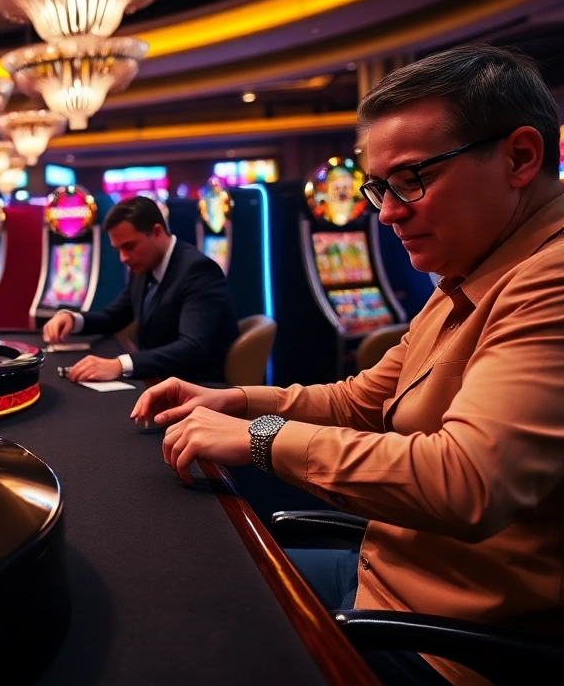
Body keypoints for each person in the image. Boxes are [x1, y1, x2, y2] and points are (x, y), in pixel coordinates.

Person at [132, 44, 564, 686]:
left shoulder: (550, 280)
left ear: (520, 157)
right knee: (174, 584)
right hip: (385, 573)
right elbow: (361, 398)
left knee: (190, 640)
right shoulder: (467, 274)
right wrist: (237, 400)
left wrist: (260, 438)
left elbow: (467, 480)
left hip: (446, 641)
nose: (386, 213)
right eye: (380, 188)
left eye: (412, 179)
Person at [43, 196, 239, 384]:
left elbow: (191, 347)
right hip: (158, 378)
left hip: (196, 387)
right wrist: (73, 319)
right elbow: (114, 316)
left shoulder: (198, 270)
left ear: (157, 232)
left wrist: (120, 365)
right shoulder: (144, 264)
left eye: (129, 246)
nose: (123, 258)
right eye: (118, 249)